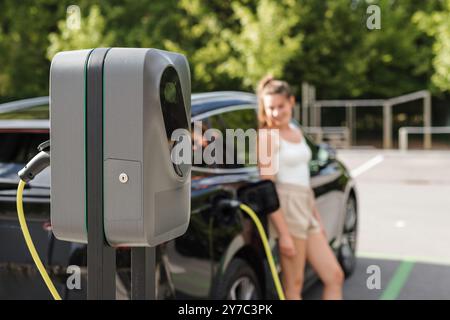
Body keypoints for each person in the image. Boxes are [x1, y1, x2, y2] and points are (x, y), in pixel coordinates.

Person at [257, 75, 344, 300]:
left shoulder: (296, 132)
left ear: (291, 102)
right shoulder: (267, 137)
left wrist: (316, 216)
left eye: (280, 106)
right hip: (287, 208)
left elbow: (304, 179)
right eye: (270, 108)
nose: (276, 113)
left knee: (334, 276)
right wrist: (283, 234)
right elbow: (268, 188)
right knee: (294, 287)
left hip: (306, 206)